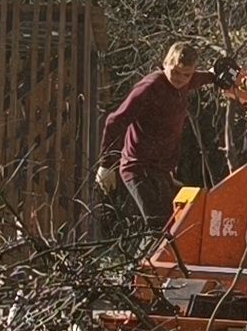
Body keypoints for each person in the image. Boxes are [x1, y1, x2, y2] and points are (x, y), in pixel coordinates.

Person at [97, 42, 232, 229]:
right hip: (137, 168)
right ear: (165, 63)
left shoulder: (186, 81)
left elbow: (202, 78)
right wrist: (106, 165)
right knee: (159, 225)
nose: (180, 79)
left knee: (183, 219)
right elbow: (116, 121)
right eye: (175, 72)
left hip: (160, 170)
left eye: (186, 74)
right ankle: (150, 257)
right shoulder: (149, 87)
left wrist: (216, 75)